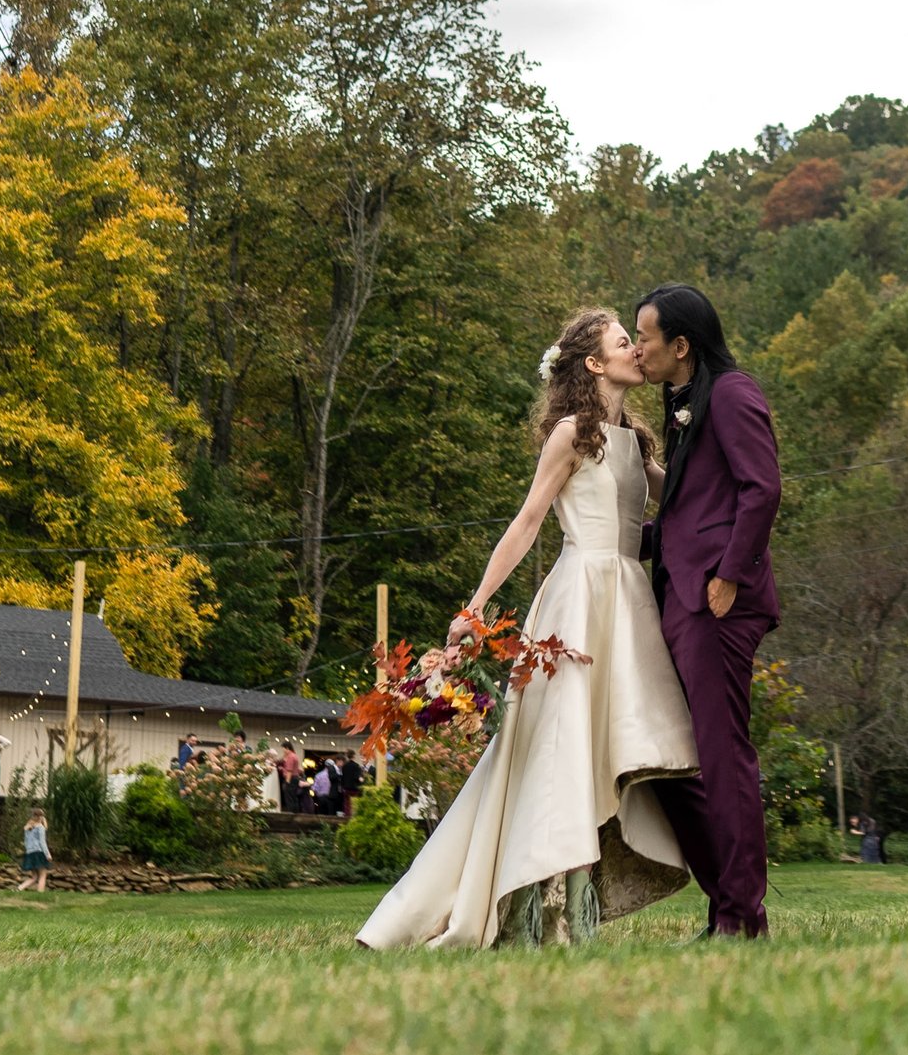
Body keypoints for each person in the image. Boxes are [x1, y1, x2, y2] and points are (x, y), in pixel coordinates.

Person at [358, 307, 698, 950]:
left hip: (629, 602)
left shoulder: (638, 441)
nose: (635, 350)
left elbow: (681, 506)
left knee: (607, 749)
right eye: (623, 343)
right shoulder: (572, 434)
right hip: (578, 603)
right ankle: (551, 914)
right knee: (564, 751)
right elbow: (528, 520)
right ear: (595, 364)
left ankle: (578, 909)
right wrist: (476, 606)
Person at [634, 282, 782, 939]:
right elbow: (686, 510)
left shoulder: (731, 392)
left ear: (682, 345)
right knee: (665, 762)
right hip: (677, 599)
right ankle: (724, 900)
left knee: (723, 759)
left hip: (716, 605)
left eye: (646, 337)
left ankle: (744, 916)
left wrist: (728, 576)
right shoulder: (684, 403)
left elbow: (763, 487)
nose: (638, 348)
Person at [17, 808, 51, 892]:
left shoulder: (27, 828)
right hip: (38, 852)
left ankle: (19, 888)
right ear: (41, 817)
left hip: (30, 853)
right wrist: (47, 854)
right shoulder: (40, 827)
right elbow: (42, 842)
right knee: (43, 875)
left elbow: (26, 842)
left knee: (34, 877)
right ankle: (40, 894)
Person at [277, 741, 303, 813]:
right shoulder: (295, 756)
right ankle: (295, 812)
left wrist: (287, 783)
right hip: (295, 778)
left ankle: (291, 813)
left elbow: (289, 771)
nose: (283, 751)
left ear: (287, 748)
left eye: (283, 749)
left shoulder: (291, 757)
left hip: (291, 779)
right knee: (293, 797)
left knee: (289, 797)